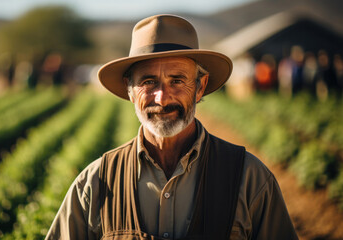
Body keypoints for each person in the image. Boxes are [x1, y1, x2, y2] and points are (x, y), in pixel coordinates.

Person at [46, 14, 298, 240]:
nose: (162, 98)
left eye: (177, 80)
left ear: (199, 88)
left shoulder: (250, 178)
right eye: (148, 81)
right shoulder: (94, 183)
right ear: (130, 89)